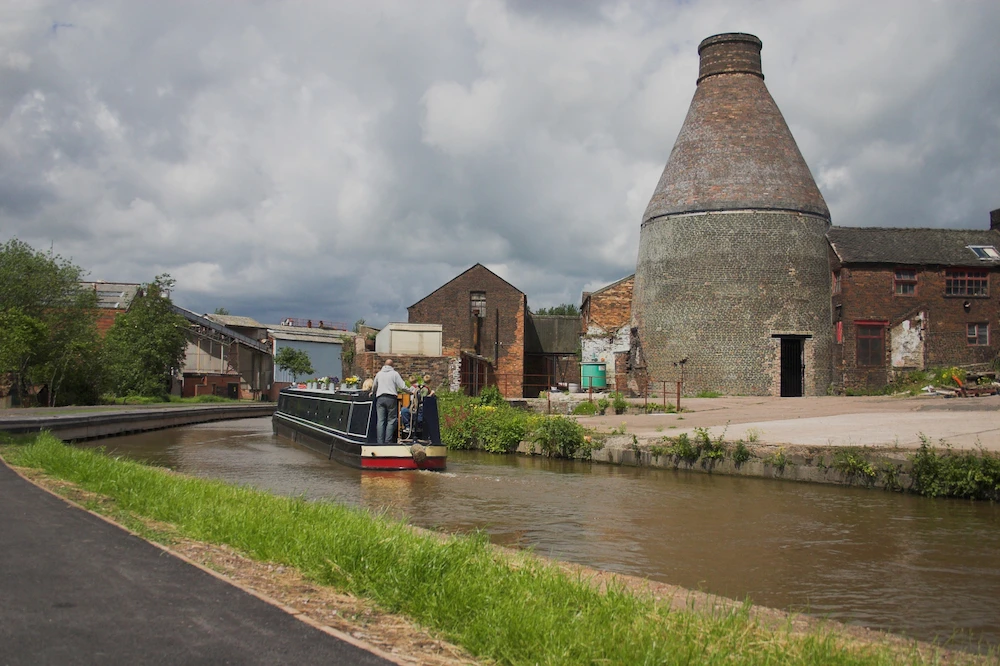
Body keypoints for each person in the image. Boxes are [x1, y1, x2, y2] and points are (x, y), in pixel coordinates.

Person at [371, 359, 406, 443]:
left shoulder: (379, 374)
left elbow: (374, 386)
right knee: (391, 420)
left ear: (384, 365)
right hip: (391, 399)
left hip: (380, 398)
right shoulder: (395, 374)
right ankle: (388, 441)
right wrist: (412, 391)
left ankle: (380, 442)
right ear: (392, 365)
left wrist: (372, 392)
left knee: (380, 420)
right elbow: (403, 386)